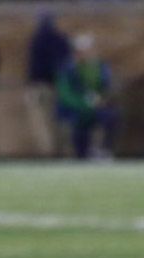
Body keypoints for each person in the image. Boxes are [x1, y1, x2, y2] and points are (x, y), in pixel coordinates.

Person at [56, 33, 118, 159]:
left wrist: (102, 100)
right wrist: (85, 104)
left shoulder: (101, 67)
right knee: (79, 123)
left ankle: (104, 151)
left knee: (111, 116)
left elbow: (107, 87)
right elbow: (65, 94)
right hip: (75, 109)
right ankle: (82, 153)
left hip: (96, 108)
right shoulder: (68, 69)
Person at [25, 12, 71, 156]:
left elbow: (34, 66)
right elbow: (67, 63)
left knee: (44, 121)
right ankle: (63, 150)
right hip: (60, 86)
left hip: (42, 85)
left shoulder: (37, 40)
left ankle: (50, 152)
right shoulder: (61, 39)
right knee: (61, 121)